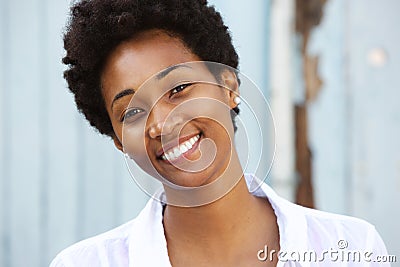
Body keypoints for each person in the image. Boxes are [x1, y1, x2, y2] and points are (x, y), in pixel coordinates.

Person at [50, 0, 389, 266]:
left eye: (179, 88)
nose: (162, 124)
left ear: (228, 86)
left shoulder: (352, 248)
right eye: (133, 112)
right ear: (119, 139)